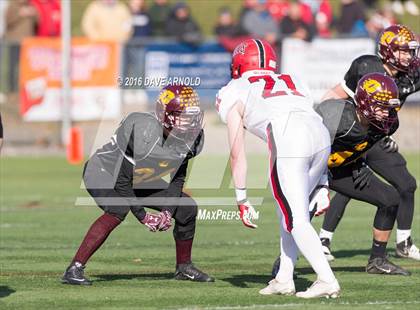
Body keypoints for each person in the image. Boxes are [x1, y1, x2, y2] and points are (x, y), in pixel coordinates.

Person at [216, 39, 340, 298]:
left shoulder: (234, 88)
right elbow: (309, 116)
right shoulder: (292, 79)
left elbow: (237, 152)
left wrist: (241, 197)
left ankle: (326, 279)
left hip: (289, 137)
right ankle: (284, 277)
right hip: (320, 135)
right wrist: (322, 181)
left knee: (295, 219)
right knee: (289, 214)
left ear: (239, 63)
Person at [62, 85, 214, 285]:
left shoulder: (192, 139)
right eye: (182, 116)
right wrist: (143, 216)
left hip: (140, 178)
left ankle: (183, 267)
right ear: (165, 114)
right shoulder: (143, 132)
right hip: (104, 173)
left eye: (192, 117)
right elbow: (123, 181)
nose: (190, 123)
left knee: (187, 208)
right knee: (118, 208)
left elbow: (177, 179)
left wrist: (167, 211)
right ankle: (74, 269)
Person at [272, 73, 411, 277]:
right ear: (364, 102)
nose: (386, 113)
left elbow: (365, 143)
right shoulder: (336, 114)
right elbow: (308, 143)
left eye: (389, 107)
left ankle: (377, 260)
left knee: (390, 199)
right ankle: (284, 264)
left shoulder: (388, 122)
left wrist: (359, 162)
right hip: (312, 166)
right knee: (301, 214)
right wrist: (319, 181)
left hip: (341, 169)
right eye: (381, 106)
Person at [320, 24, 420, 262]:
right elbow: (336, 95)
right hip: (354, 136)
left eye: (411, 51)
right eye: (403, 51)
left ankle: (404, 242)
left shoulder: (410, 74)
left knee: (406, 184)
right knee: (349, 185)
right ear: (387, 50)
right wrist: (318, 120)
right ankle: (324, 239)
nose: (409, 56)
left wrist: (385, 135)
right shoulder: (367, 67)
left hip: (377, 137)